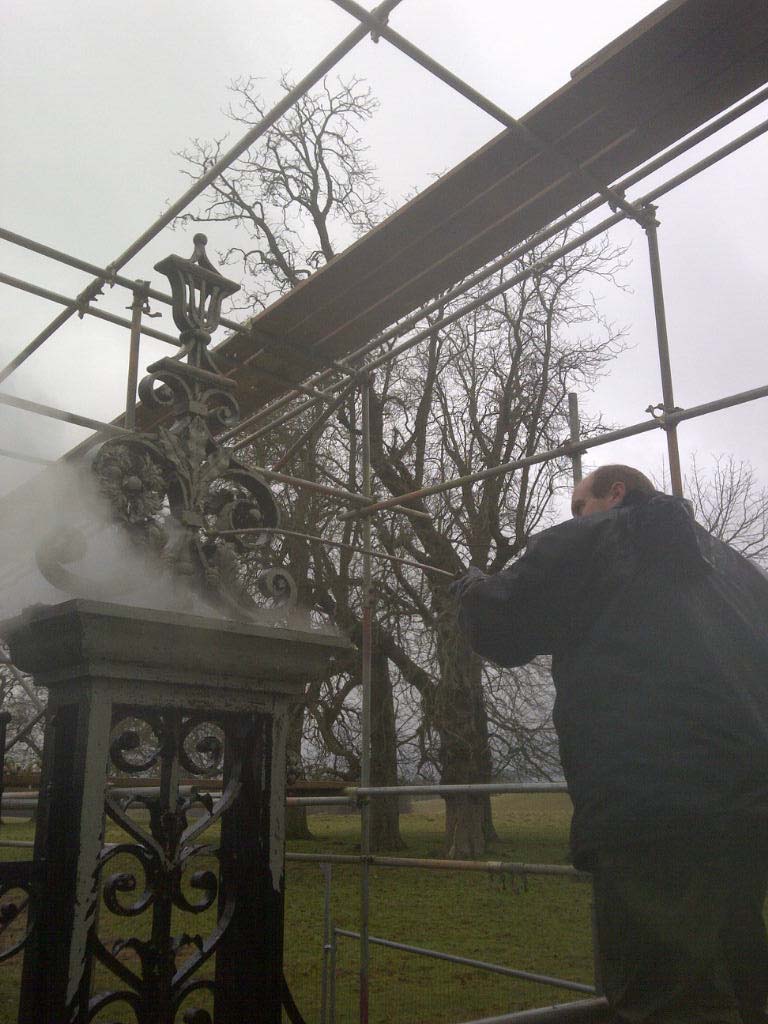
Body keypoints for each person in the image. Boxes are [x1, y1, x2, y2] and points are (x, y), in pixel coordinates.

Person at [452, 464, 768, 1024]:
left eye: (580, 503)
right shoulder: (738, 570)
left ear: (616, 493)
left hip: (649, 812)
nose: (575, 515)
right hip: (748, 815)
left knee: (665, 997)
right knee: (744, 982)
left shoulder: (595, 539)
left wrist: (472, 592)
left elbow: (505, 623)